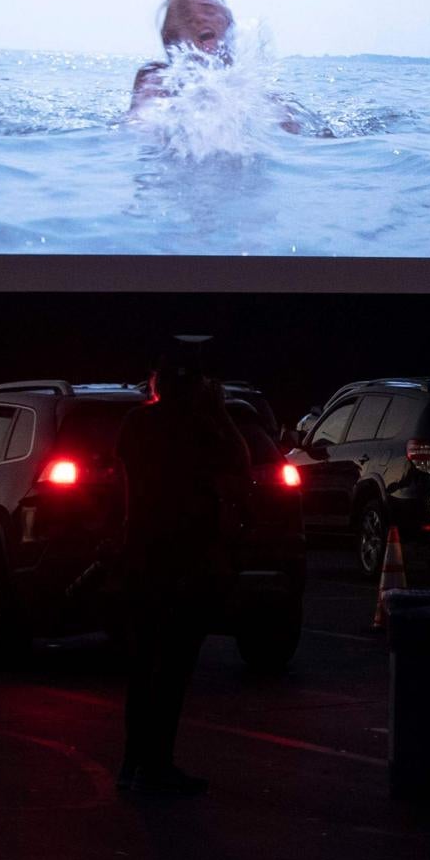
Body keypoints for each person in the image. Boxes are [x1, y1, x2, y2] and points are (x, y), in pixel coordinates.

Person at [112, 336, 251, 796]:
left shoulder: (136, 424)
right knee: (171, 671)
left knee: (142, 668)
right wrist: (220, 411)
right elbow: (240, 462)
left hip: (140, 560)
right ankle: (157, 765)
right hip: (183, 565)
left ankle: (135, 762)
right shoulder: (200, 428)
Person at [129, 0, 303, 132]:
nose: (200, 19)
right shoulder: (159, 80)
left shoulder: (259, 96)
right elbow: (138, 124)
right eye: (188, 19)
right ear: (175, 38)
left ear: (228, 22)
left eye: (209, 10)